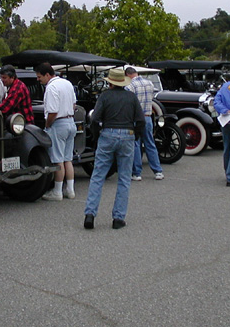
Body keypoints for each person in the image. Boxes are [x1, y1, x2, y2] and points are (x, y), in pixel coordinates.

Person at [84, 68, 145, 230]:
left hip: (107, 134)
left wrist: (97, 137)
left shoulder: (104, 97)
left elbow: (95, 119)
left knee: (98, 176)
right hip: (127, 134)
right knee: (124, 178)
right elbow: (140, 120)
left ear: (110, 82)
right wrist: (135, 136)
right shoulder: (131, 98)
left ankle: (90, 214)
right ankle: (118, 218)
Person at [35, 63, 77, 201]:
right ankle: (70, 190)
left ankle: (57, 191)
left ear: (47, 75)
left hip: (58, 124)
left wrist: (47, 126)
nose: (38, 79)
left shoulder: (51, 87)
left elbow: (53, 111)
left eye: (39, 76)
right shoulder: (67, 83)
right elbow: (74, 105)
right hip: (71, 122)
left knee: (58, 160)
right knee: (68, 159)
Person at [124, 67, 164, 181]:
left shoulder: (130, 86)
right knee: (150, 143)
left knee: (136, 144)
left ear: (127, 75)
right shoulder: (149, 83)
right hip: (147, 116)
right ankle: (158, 171)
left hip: (136, 118)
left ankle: (137, 173)